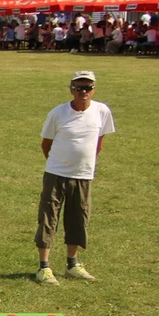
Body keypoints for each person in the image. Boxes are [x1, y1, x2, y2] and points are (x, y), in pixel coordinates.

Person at [34, 70, 115, 285]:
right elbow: (46, 144)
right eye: (79, 88)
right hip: (56, 173)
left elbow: (99, 142)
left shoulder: (102, 111)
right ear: (71, 89)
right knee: (48, 218)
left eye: (88, 87)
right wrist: (59, 164)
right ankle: (44, 267)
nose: (83, 92)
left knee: (78, 218)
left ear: (94, 89)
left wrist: (85, 163)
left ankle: (72, 263)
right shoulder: (58, 113)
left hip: (84, 175)